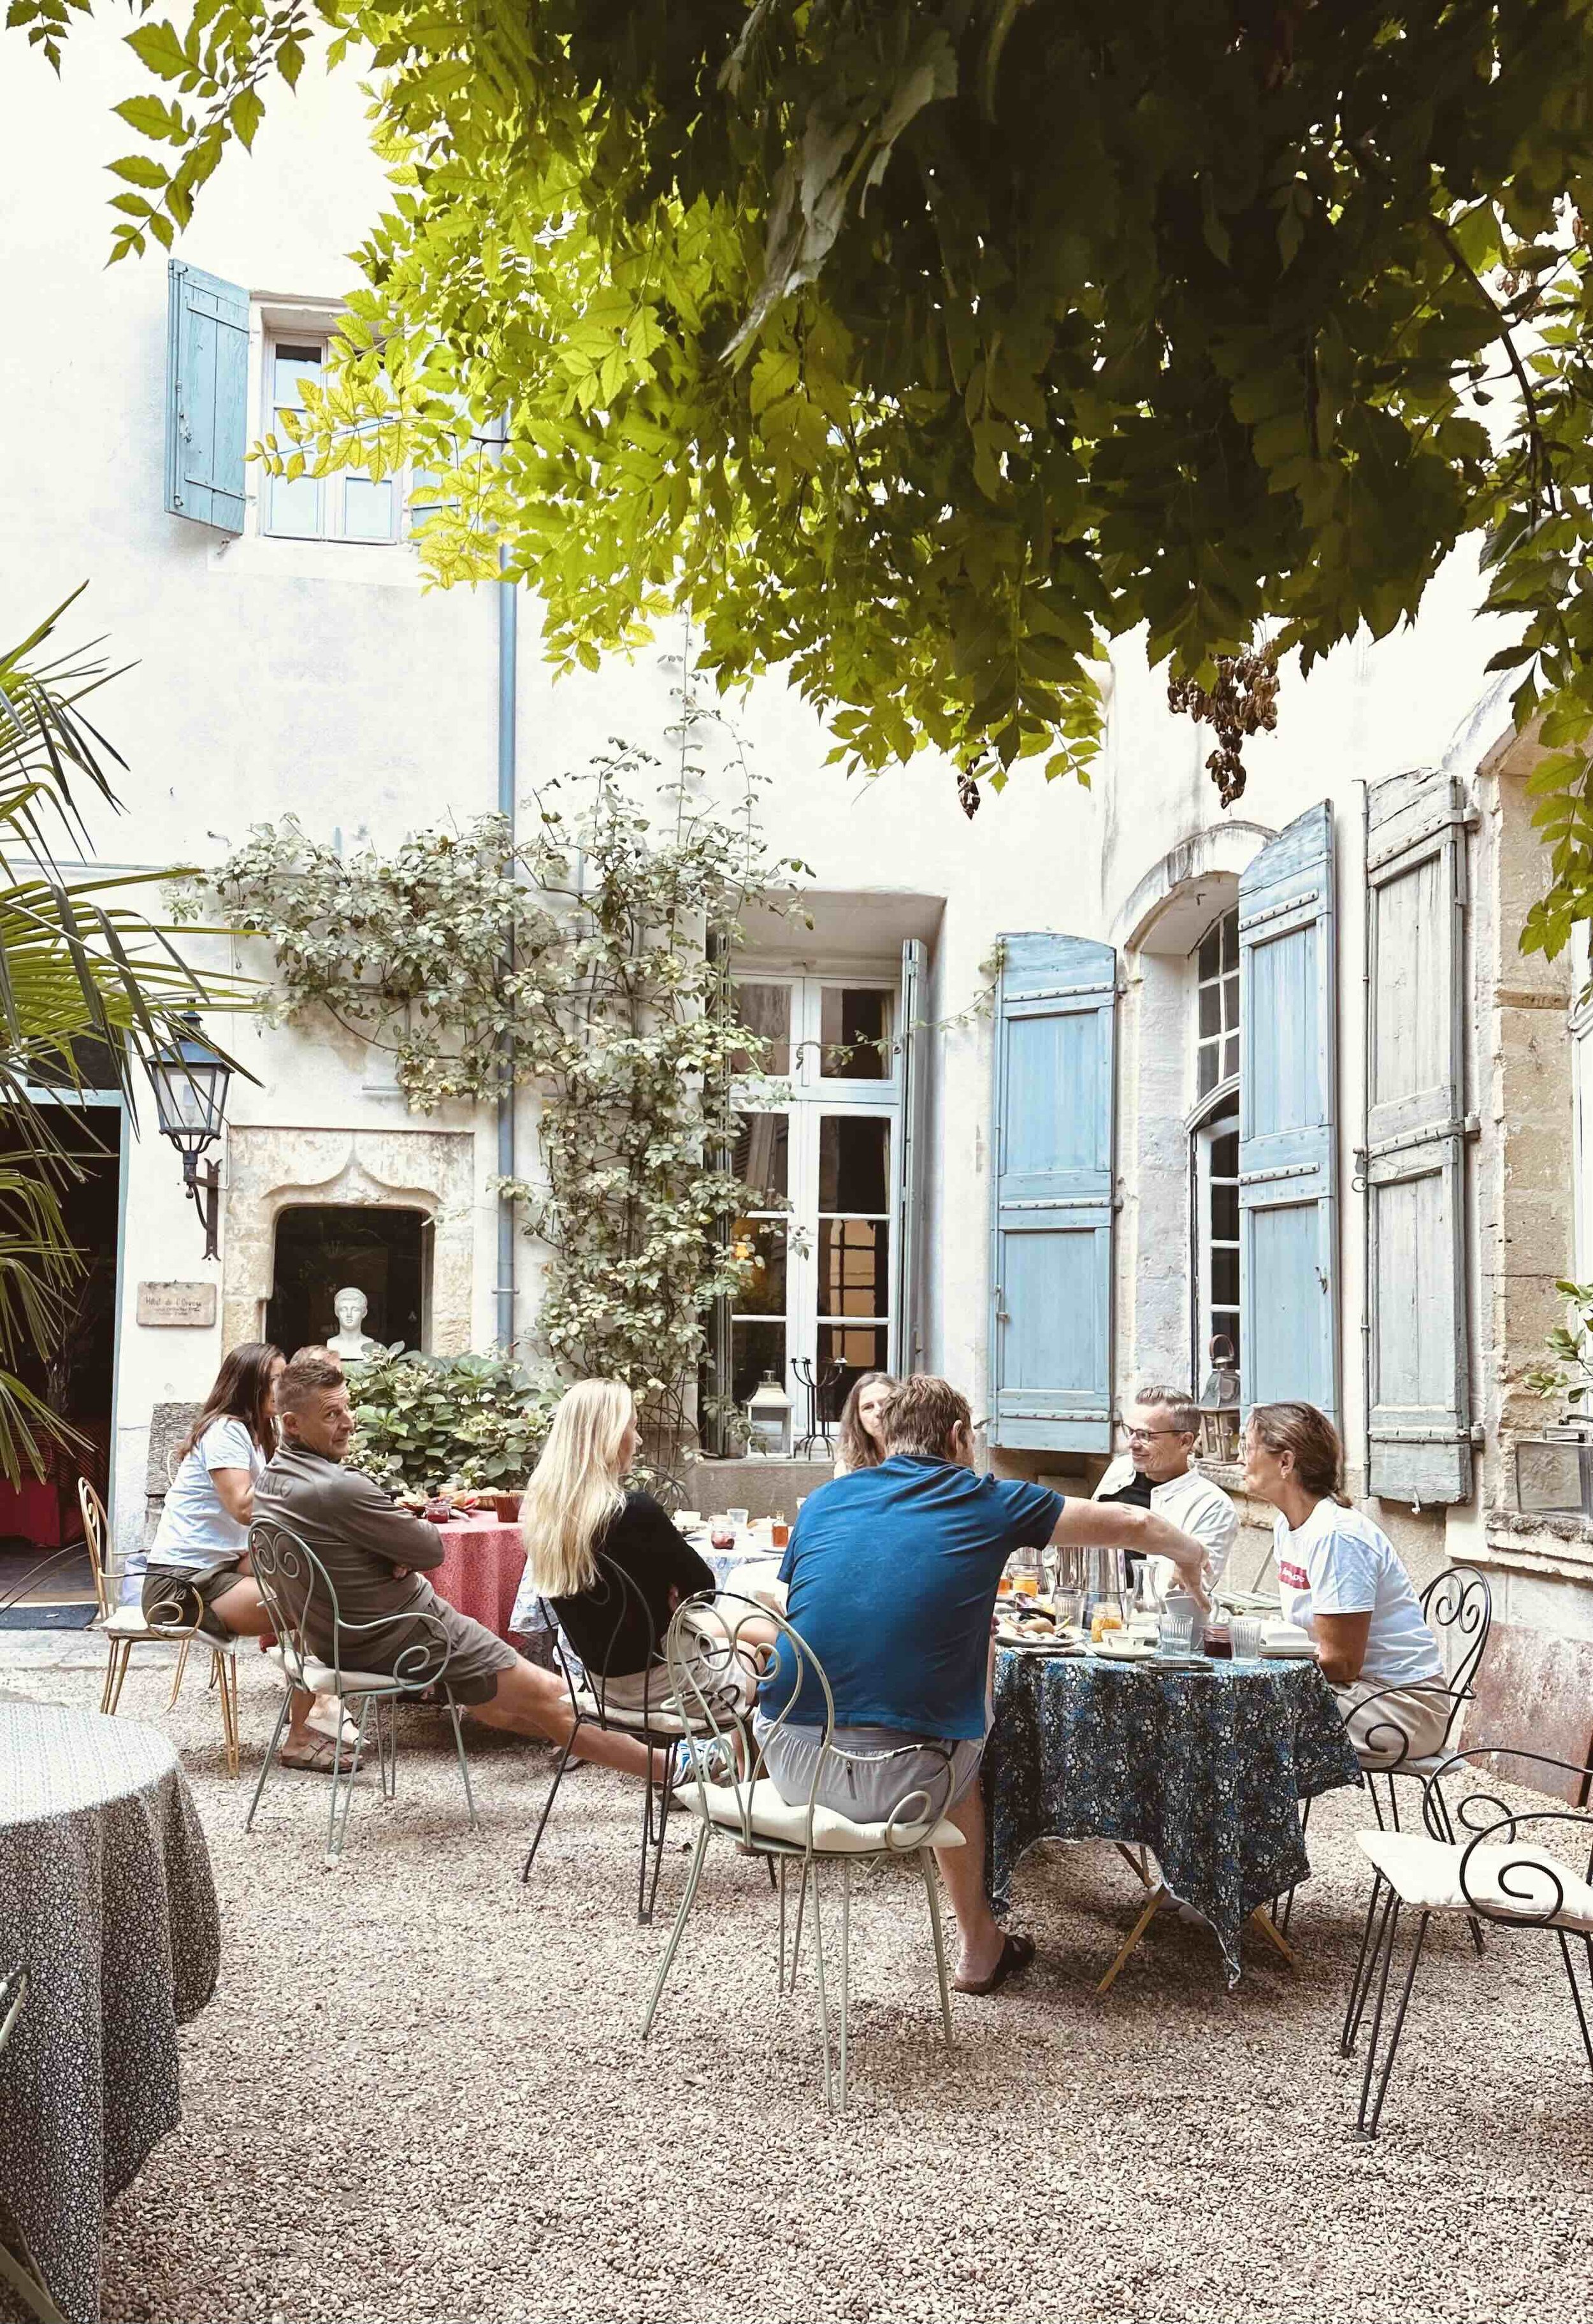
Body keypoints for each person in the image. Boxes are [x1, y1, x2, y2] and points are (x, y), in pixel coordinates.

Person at [756, 1376, 1212, 1995]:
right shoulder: (985, 1498)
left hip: (785, 1761)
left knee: (946, 1684)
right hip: (900, 1781)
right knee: (968, 1743)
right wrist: (1189, 1557)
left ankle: (984, 1935)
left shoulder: (821, 1504)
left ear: (885, 1436)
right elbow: (1132, 1521)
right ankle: (978, 1944)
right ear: (958, 1437)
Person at [253, 1354, 659, 1777]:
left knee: (497, 1708)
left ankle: (629, 1746)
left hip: (336, 1639)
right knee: (556, 1696)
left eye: (347, 1407)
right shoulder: (337, 1488)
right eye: (332, 1414)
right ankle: (675, 1766)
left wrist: (383, 1555)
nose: (349, 1421)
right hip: (408, 1632)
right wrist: (393, 1556)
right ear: (292, 1423)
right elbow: (430, 1549)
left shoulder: (271, 1480)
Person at [140, 1342, 335, 1770]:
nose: (285, 1388)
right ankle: (304, 1731)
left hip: (220, 1567)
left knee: (320, 1579)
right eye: (276, 1380)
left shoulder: (257, 1433)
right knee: (311, 1604)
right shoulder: (225, 1430)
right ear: (247, 1384)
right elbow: (245, 1507)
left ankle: (320, 1708)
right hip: (181, 1585)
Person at [1243, 1401, 1448, 1764]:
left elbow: (1340, 1663)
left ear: (1286, 1463)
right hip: (1350, 1693)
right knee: (1232, 1706)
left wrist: (1255, 1661)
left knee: (1242, 1716)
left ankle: (1254, 1822)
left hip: (1400, 1707)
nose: (1241, 1459)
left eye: (1248, 1448)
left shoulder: (1336, 1536)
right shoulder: (1288, 1525)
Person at [516, 1379, 740, 1711]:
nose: (637, 1440)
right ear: (607, 1437)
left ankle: (703, 1758)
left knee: (742, 1635)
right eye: (631, 1427)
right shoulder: (633, 1511)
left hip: (602, 1688)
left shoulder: (543, 1517)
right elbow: (703, 1589)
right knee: (767, 1653)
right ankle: (727, 1760)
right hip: (673, 1686)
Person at [1093, 1383, 1237, 1599]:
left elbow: (1186, 1593)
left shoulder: (1213, 1506)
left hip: (1145, 1621)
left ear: (1185, 1441)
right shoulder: (1120, 1469)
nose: (1132, 1444)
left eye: (1145, 1435)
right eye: (1130, 1431)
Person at [832, 1371, 898, 1479]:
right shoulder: (848, 1468)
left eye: (886, 1403)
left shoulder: (924, 1457)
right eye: (868, 1407)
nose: (878, 1412)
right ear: (858, 1419)